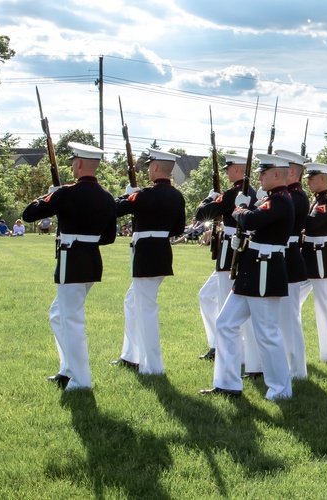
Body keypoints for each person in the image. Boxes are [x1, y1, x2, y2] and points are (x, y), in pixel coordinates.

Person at [21, 142, 117, 390]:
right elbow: (108, 237)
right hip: (92, 261)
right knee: (57, 315)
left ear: (80, 163)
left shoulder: (66, 193)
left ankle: (81, 380)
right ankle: (68, 368)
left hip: (71, 261)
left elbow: (29, 214)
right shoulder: (107, 197)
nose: (72, 166)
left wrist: (49, 195)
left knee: (71, 320)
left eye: (74, 161)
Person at [202, 153, 294, 400]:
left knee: (267, 333)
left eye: (264, 173)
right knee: (225, 323)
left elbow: (252, 220)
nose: (259, 177)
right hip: (251, 271)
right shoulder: (269, 199)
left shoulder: (281, 201)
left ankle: (281, 389)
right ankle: (227, 383)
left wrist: (239, 208)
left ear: (276, 175)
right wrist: (244, 208)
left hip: (265, 269)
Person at [112, 148, 186, 375]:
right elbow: (179, 229)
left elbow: (115, 209)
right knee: (132, 301)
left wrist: (128, 195)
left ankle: (153, 366)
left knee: (146, 309)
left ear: (155, 168)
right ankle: (130, 355)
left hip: (145, 253)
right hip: (162, 251)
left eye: (149, 167)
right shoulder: (177, 195)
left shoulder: (144, 194)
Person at [193, 153, 256, 361]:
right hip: (233, 247)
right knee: (205, 295)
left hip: (231, 249)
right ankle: (217, 343)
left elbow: (203, 213)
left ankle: (226, 349)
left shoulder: (233, 193)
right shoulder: (248, 192)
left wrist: (210, 197)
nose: (226, 171)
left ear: (237, 169)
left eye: (229, 167)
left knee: (224, 301)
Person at [299, 162, 327, 363]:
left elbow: (312, 224)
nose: (308, 181)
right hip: (309, 254)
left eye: (312, 177)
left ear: (323, 179)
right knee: (292, 300)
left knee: (324, 305)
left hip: (321, 256)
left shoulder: (325, 202)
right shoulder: (317, 201)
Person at [277, 150, 311, 379]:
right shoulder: (287, 195)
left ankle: (297, 370)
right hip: (283, 257)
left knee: (289, 319)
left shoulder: (296, 197)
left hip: (289, 258)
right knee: (281, 317)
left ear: (291, 171)